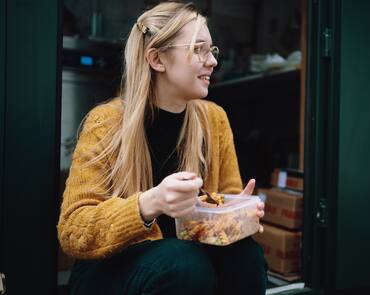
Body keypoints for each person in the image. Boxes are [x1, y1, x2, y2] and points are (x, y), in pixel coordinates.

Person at [57, 2, 268, 294]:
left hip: (187, 266)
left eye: (212, 50)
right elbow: (73, 230)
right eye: (199, 49)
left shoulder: (214, 120)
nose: (212, 61)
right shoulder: (106, 123)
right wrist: (149, 203)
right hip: (111, 272)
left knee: (246, 256)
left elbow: (221, 213)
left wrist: (237, 215)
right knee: (183, 262)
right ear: (157, 59)